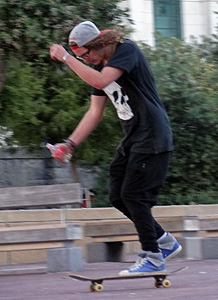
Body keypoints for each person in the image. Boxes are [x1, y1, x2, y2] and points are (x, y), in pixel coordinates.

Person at [49, 21, 181, 276]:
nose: (85, 61)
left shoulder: (126, 50)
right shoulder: (97, 67)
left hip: (152, 134)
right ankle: (164, 242)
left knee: (134, 195)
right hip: (133, 137)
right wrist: (70, 143)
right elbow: (94, 111)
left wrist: (66, 57)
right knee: (117, 195)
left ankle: (153, 256)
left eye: (85, 55)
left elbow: (101, 81)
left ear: (97, 45)